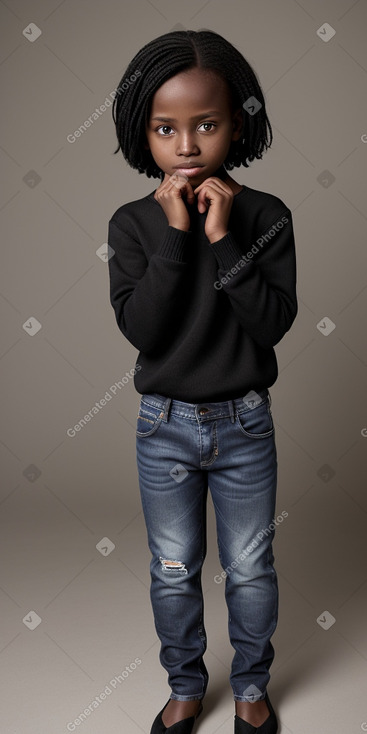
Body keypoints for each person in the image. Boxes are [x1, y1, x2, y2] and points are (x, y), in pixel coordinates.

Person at [107, 29, 297, 734]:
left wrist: (222, 239)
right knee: (173, 568)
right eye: (165, 129)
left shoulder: (266, 216)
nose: (185, 145)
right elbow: (146, 331)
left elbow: (272, 321)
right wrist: (178, 235)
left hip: (244, 423)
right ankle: (185, 685)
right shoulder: (132, 225)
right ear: (143, 133)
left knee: (248, 568)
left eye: (205, 125)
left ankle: (250, 688)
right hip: (163, 426)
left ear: (235, 124)